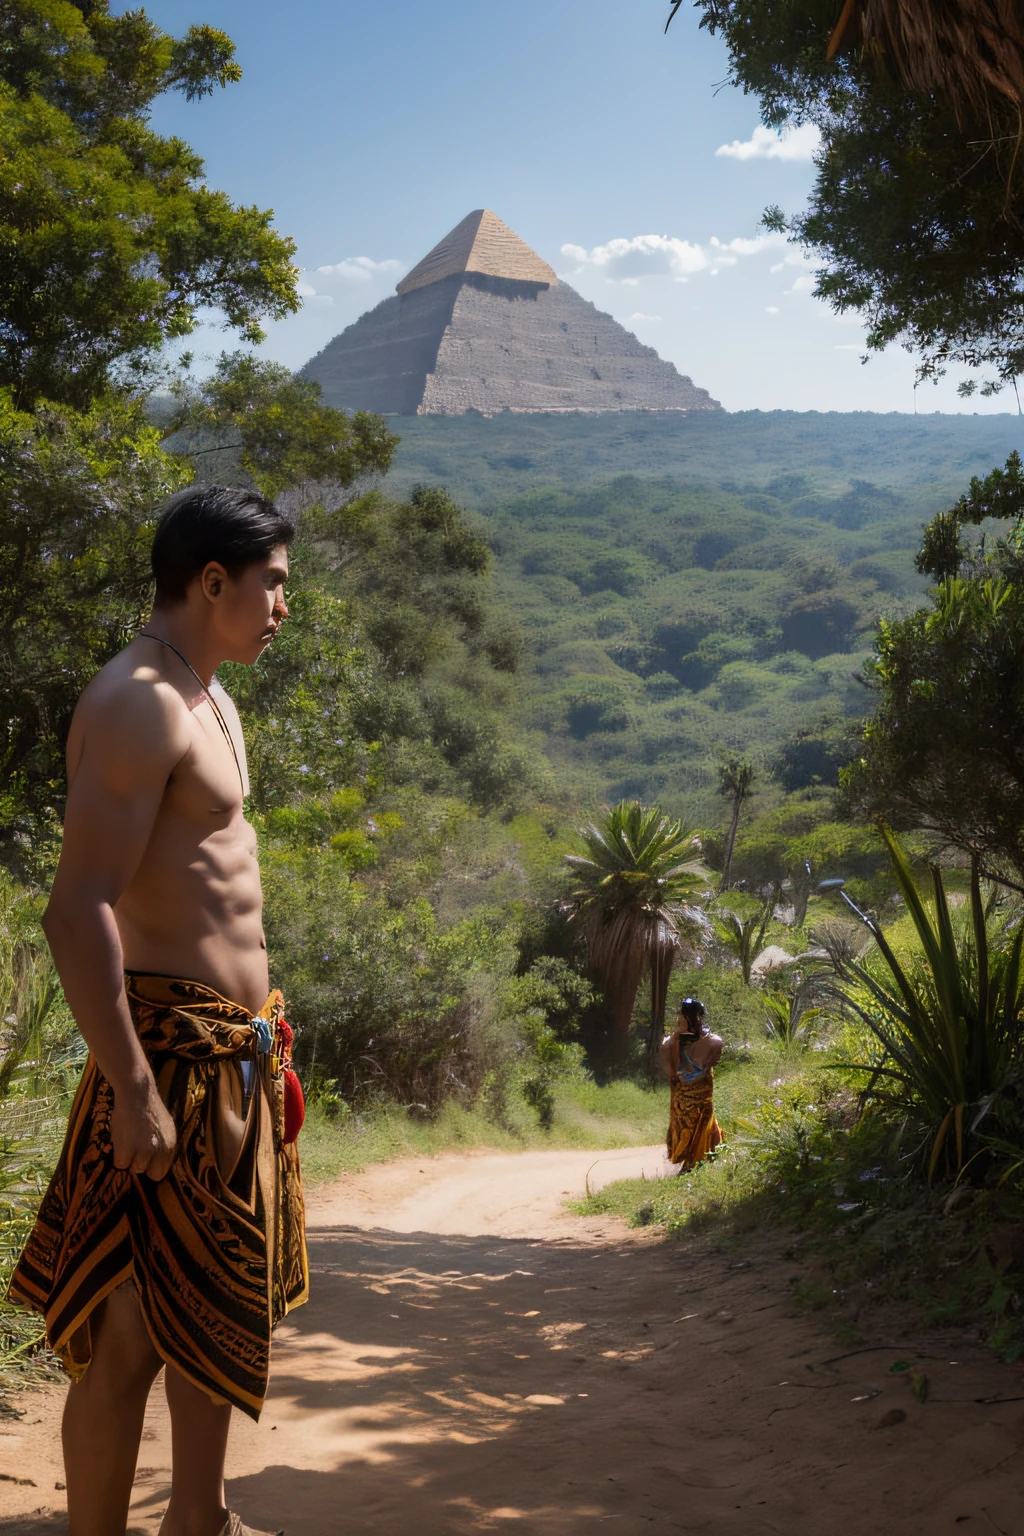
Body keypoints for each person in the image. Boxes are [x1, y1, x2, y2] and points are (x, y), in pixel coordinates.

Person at [7, 485, 309, 1536]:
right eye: (271, 584)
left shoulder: (206, 690)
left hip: (232, 1060)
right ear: (211, 580)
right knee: (129, 1331)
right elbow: (74, 906)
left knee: (215, 1305)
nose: (283, 605)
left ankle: (200, 1518)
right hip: (168, 1062)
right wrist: (134, 1089)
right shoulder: (141, 701)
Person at [661, 997, 723, 1172]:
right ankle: (689, 1160)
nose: (683, 1019)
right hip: (682, 1090)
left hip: (701, 1089)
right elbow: (670, 1059)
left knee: (701, 1120)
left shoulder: (709, 1038)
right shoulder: (676, 1038)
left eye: (688, 1015)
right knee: (684, 1123)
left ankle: (697, 1160)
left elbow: (711, 1059)